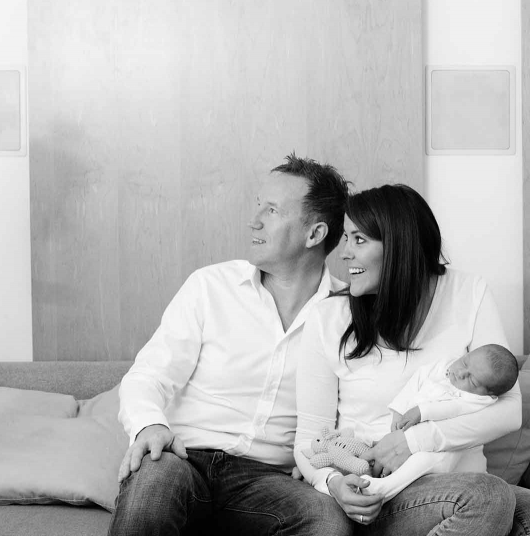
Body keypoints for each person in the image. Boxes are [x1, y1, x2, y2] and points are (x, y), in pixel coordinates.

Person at [295, 184, 530, 535]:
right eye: (346, 239)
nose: (344, 253)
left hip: (457, 477)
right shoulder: (329, 318)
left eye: (359, 240)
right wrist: (333, 484)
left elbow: (509, 410)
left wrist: (415, 441)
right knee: (486, 497)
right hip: (381, 486)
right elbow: (308, 439)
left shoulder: (468, 293)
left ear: (398, 246)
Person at [109, 154, 354, 536]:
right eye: (258, 206)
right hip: (183, 459)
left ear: (315, 234)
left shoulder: (349, 315)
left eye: (271, 210)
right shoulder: (210, 287)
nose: (253, 220)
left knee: (326, 522)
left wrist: (322, 465)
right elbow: (148, 375)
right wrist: (149, 426)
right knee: (152, 489)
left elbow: (358, 410)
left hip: (269, 481)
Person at [352, 343, 520, 500]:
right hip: (399, 428)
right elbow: (417, 379)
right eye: (464, 362)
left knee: (427, 460)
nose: (461, 373)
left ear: (488, 395)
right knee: (367, 437)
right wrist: (398, 411)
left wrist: (421, 412)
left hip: (433, 450)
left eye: (472, 380)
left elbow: (454, 409)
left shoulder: (477, 400)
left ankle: (383, 488)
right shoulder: (444, 366)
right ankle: (356, 458)